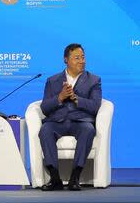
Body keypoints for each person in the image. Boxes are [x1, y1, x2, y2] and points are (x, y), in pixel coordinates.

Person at [38, 43, 102, 191]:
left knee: (88, 130)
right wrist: (60, 97)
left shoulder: (94, 80)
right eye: (77, 58)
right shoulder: (52, 81)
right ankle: (55, 179)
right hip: (57, 121)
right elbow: (45, 108)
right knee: (45, 130)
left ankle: (75, 178)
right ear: (66, 60)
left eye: (83, 57)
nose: (82, 61)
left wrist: (76, 98)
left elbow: (95, 106)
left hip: (80, 121)